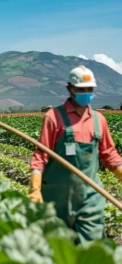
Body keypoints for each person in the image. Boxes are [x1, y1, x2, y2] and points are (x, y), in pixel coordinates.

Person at [28, 65, 122, 244]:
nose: (85, 93)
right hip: (57, 199)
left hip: (89, 198)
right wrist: (34, 188)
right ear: (70, 88)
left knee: (92, 247)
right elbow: (41, 156)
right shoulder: (54, 117)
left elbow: (109, 154)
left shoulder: (98, 120)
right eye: (81, 89)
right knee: (59, 249)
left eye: (89, 89)